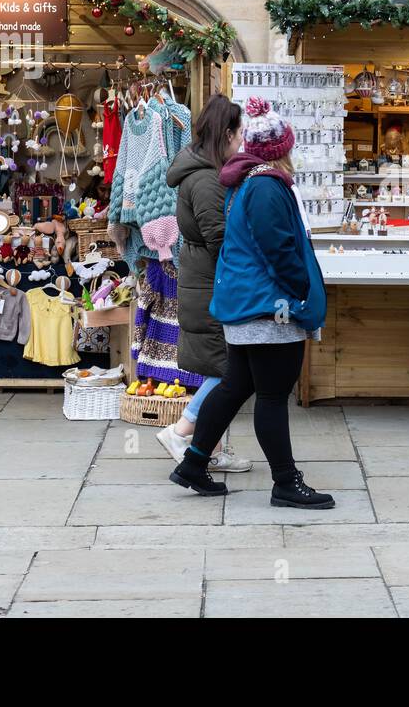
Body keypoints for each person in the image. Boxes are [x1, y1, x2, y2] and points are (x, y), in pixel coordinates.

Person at [168, 96, 333, 508]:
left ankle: (193, 463)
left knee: (234, 387)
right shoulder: (265, 186)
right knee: (273, 396)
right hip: (268, 309)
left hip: (249, 304)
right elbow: (277, 249)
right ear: (282, 149)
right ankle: (285, 483)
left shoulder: (248, 181)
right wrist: (300, 292)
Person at [155, 93, 252, 472]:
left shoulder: (203, 172)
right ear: (226, 133)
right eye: (240, 133)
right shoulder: (209, 180)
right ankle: (182, 432)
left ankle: (205, 446)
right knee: (230, 371)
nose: (242, 140)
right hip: (211, 286)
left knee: (223, 369)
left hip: (204, 282)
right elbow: (221, 239)